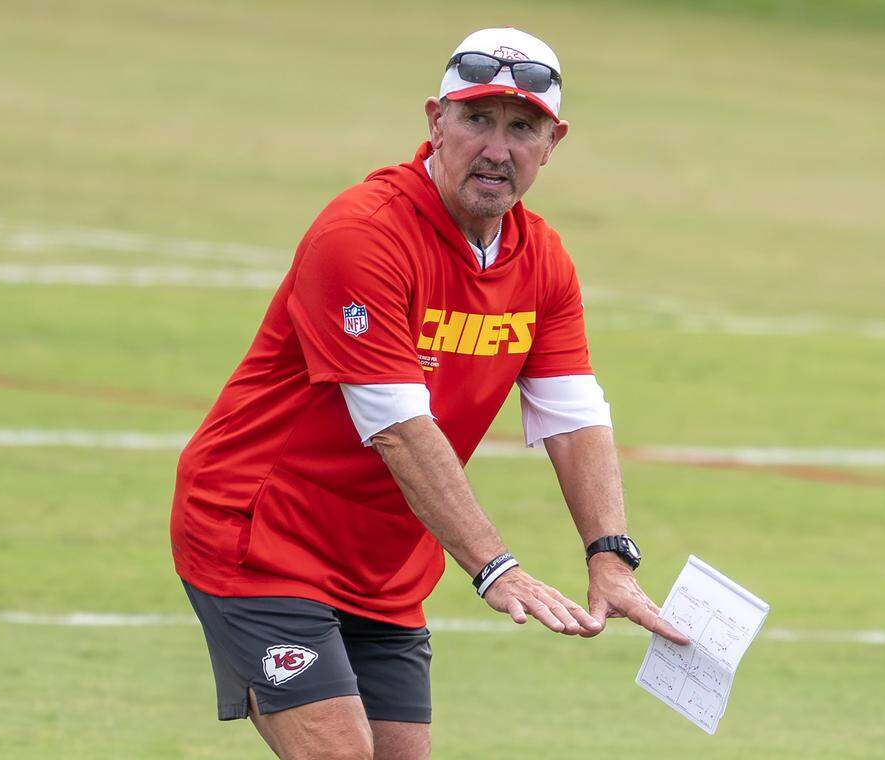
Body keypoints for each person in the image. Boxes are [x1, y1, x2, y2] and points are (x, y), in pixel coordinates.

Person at [170, 26, 688, 760]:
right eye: (477, 119)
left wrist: (610, 556)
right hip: (260, 535)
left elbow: (573, 416)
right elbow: (397, 426)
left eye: (523, 128)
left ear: (553, 143)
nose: (497, 149)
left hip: (384, 563)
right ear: (435, 121)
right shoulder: (363, 235)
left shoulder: (542, 260)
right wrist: (494, 565)